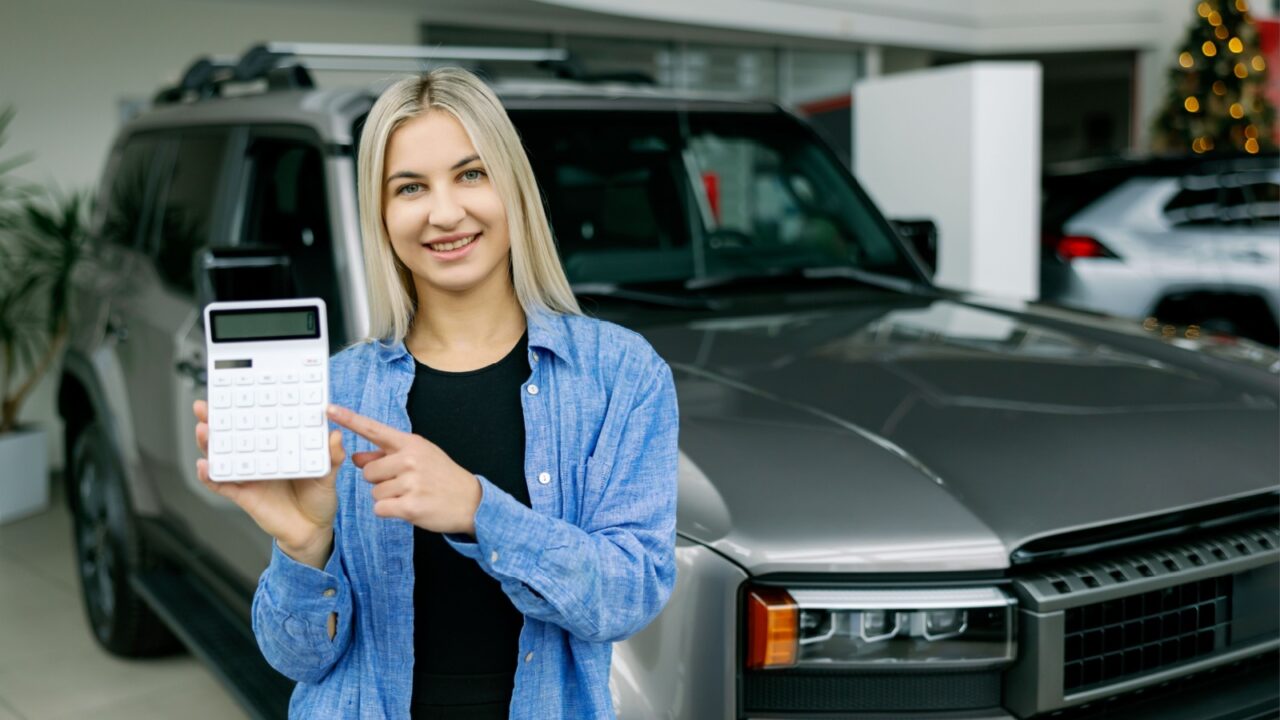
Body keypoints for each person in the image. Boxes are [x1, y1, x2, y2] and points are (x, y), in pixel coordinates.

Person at [190, 67, 680, 719]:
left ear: (512, 186)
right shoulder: (337, 391)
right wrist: (302, 549)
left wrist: (479, 509)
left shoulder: (619, 375)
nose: (445, 212)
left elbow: (631, 596)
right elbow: (297, 661)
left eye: (471, 174)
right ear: (382, 214)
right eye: (410, 187)